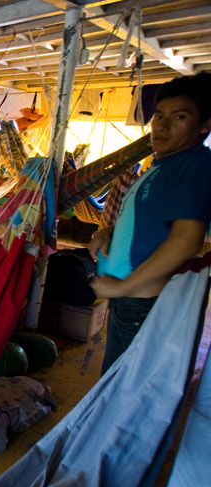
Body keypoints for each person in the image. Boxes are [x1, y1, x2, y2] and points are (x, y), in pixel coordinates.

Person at [89, 72, 211, 374]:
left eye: (179, 117)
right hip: (127, 300)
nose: (163, 126)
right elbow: (149, 222)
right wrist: (109, 233)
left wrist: (124, 287)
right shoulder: (162, 166)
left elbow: (186, 240)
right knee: (114, 382)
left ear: (204, 126)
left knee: (122, 391)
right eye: (159, 116)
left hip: (141, 304)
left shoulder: (195, 165)